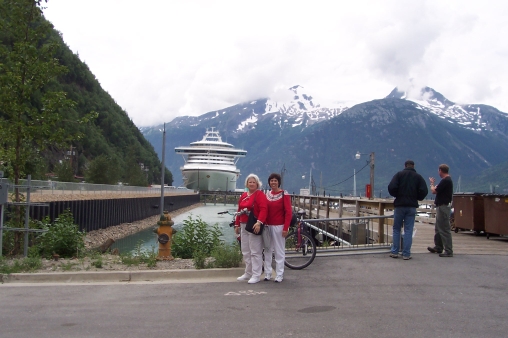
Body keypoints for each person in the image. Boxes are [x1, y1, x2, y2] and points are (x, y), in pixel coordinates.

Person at [388, 160, 428, 260]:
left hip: (400, 205)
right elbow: (424, 190)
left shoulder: (399, 175)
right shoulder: (418, 177)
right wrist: (418, 197)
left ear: (405, 166)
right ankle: (406, 253)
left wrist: (396, 194)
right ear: (413, 166)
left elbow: (391, 187)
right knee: (408, 230)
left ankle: (395, 251)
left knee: (396, 229)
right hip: (411, 206)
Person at [234, 174, 268, 284]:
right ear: (247, 184)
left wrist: (259, 222)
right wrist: (236, 224)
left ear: (257, 184)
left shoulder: (259, 195)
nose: (252, 184)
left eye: (254, 182)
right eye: (250, 182)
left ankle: (256, 274)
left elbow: (264, 209)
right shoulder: (243, 195)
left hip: (253, 225)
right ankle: (248, 272)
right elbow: (239, 210)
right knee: (246, 250)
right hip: (243, 225)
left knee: (255, 251)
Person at [263, 173, 292, 283]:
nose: (273, 182)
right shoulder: (267, 194)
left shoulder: (284, 194)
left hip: (279, 226)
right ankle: (268, 273)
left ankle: (279, 274)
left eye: (275, 180)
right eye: (271, 180)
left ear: (279, 182)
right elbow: (264, 210)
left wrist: (285, 228)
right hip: (267, 226)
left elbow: (288, 212)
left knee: (279, 251)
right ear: (269, 182)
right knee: (267, 250)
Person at [428, 164, 454, 257]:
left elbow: (434, 191)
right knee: (438, 228)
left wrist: (431, 184)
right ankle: (438, 247)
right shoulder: (446, 180)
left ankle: (448, 250)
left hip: (443, 207)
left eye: (438, 171)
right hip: (441, 206)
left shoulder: (446, 180)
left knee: (444, 229)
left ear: (440, 171)